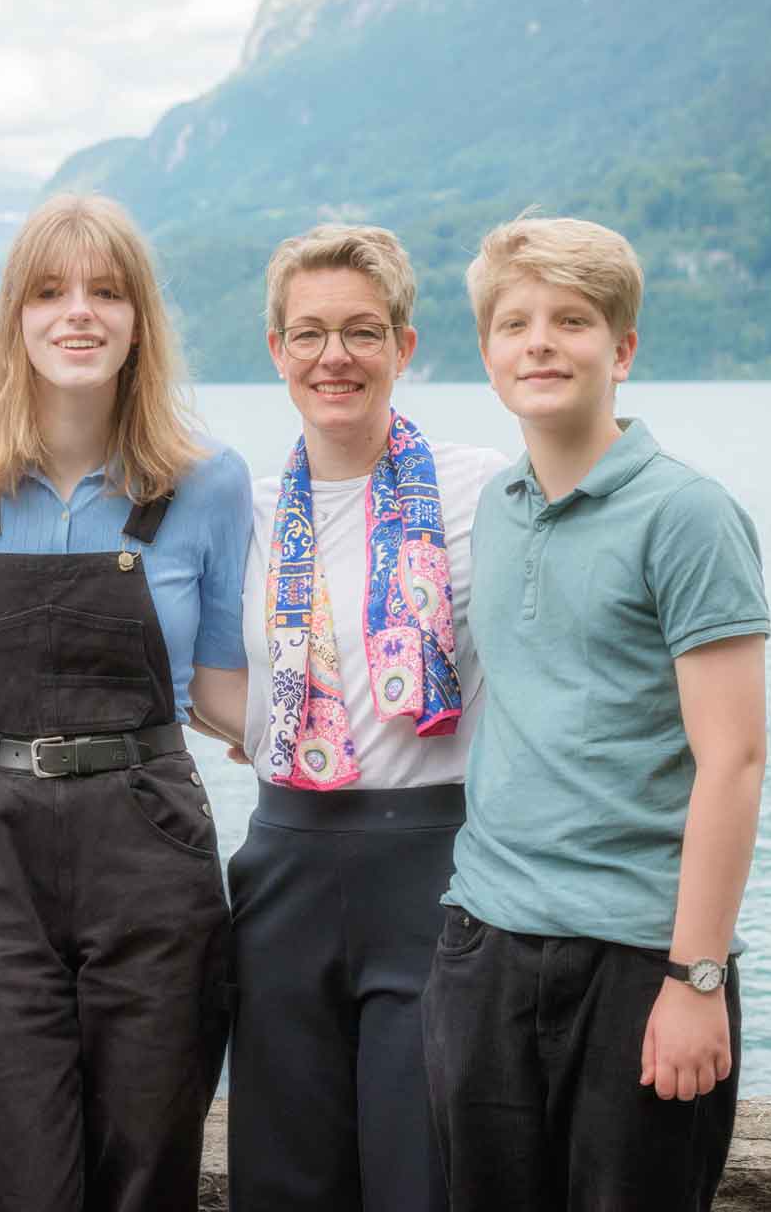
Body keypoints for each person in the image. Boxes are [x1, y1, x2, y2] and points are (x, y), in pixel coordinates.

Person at [423, 215, 770, 1211]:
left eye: (571, 320)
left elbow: (733, 760)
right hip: (484, 943)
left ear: (620, 349)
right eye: (515, 322)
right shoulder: (497, 505)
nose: (540, 341)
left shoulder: (687, 516)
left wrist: (696, 977)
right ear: (488, 356)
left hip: (639, 960)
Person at [0, 193, 251, 1212]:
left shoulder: (208, 483)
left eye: (107, 293)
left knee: (147, 1170)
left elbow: (228, 693)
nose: (79, 314)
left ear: (139, 320)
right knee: (17, 1179)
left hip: (150, 844)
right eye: (50, 292)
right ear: (16, 319)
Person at [226, 224, 510, 1212]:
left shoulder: (487, 490)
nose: (333, 357)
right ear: (276, 351)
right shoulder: (244, 511)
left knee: (422, 1174)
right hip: (285, 866)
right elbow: (201, 669)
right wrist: (254, 725)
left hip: (433, 866)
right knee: (282, 1179)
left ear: (403, 344)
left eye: (360, 332)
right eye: (307, 334)